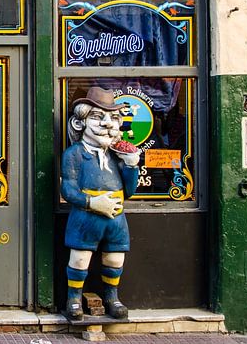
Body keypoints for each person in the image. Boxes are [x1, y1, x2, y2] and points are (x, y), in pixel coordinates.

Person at [61, 87, 140, 320]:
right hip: (86, 216)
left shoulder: (117, 156)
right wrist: (92, 202)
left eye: (113, 118)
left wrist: (132, 166)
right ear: (80, 123)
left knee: (114, 258)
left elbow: (130, 191)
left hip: (116, 217)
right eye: (97, 117)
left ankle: (112, 297)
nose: (107, 124)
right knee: (79, 258)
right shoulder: (74, 154)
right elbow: (68, 188)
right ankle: (74, 299)